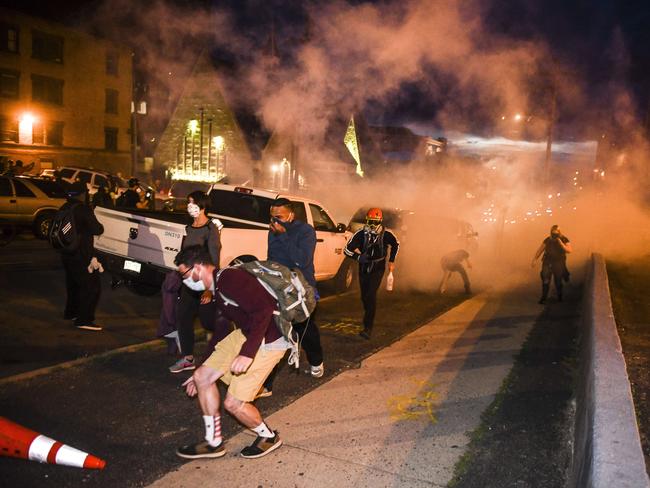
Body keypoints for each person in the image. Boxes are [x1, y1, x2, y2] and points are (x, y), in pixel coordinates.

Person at [174, 245, 287, 459]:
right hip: (247, 334)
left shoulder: (231, 279)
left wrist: (248, 353)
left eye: (184, 274)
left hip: (269, 341)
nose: (183, 280)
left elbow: (264, 310)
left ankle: (268, 436)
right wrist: (200, 368)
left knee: (234, 404)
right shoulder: (216, 287)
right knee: (202, 378)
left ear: (197, 268)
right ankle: (214, 442)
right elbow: (221, 330)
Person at [258, 198, 322, 398]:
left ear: (291, 215)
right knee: (274, 331)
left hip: (300, 286)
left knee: (305, 328)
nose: (275, 221)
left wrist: (284, 236)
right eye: (272, 217)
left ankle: (316, 361)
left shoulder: (306, 232)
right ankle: (266, 384)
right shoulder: (273, 230)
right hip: (278, 286)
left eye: (280, 217)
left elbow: (302, 260)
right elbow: (272, 258)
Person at [168, 191, 222, 373]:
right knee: (183, 317)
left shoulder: (210, 229)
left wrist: (209, 289)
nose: (189, 205)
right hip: (188, 284)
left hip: (204, 283)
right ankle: (187, 358)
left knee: (208, 322)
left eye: (193, 203)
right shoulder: (189, 227)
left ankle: (224, 351)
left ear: (203, 206)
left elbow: (214, 260)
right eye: (188, 202)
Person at [344, 208, 399, 340]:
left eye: (375, 222)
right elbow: (347, 250)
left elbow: (395, 245)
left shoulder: (387, 234)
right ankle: (368, 314)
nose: (372, 225)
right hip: (363, 267)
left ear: (380, 222)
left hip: (378, 267)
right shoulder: (360, 234)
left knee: (370, 294)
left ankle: (368, 327)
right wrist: (358, 257)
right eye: (370, 222)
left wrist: (391, 260)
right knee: (364, 296)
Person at [59, 182, 105, 331]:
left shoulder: (64, 207)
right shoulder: (83, 209)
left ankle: (71, 313)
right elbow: (98, 229)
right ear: (82, 194)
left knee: (73, 284)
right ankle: (83, 319)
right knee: (91, 286)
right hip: (81, 254)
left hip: (66, 252)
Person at [532, 224, 572, 304]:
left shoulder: (564, 239)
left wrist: (560, 243)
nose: (554, 235)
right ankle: (544, 297)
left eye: (556, 234)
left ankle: (560, 296)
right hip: (547, 262)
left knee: (558, 280)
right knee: (545, 278)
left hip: (559, 262)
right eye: (553, 233)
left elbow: (569, 250)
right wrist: (534, 259)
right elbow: (540, 249)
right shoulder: (548, 240)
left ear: (559, 233)